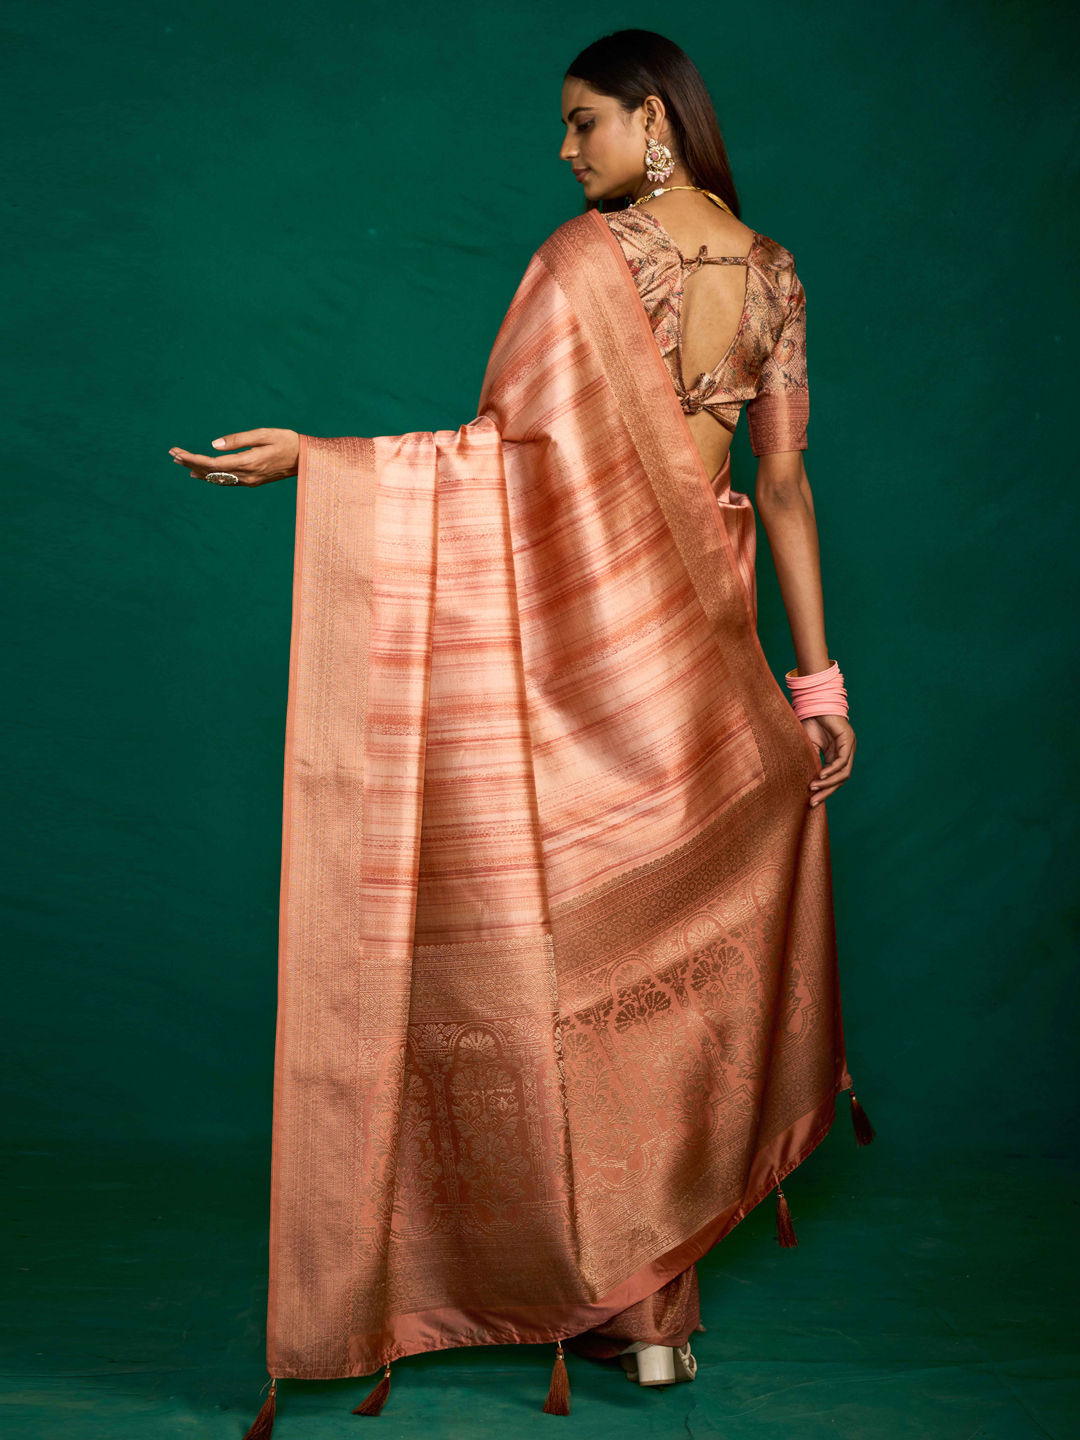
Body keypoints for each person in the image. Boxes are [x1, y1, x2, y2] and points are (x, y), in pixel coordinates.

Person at [168, 28, 871, 1432]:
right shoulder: (776, 273)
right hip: (713, 665)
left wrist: (329, 463)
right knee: (669, 978)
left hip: (600, 661)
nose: (565, 150)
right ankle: (651, 1318)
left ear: (653, 120)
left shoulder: (579, 264)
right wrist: (818, 685)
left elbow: (504, 464)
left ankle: (631, 1297)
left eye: (583, 122)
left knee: (591, 972)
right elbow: (785, 485)